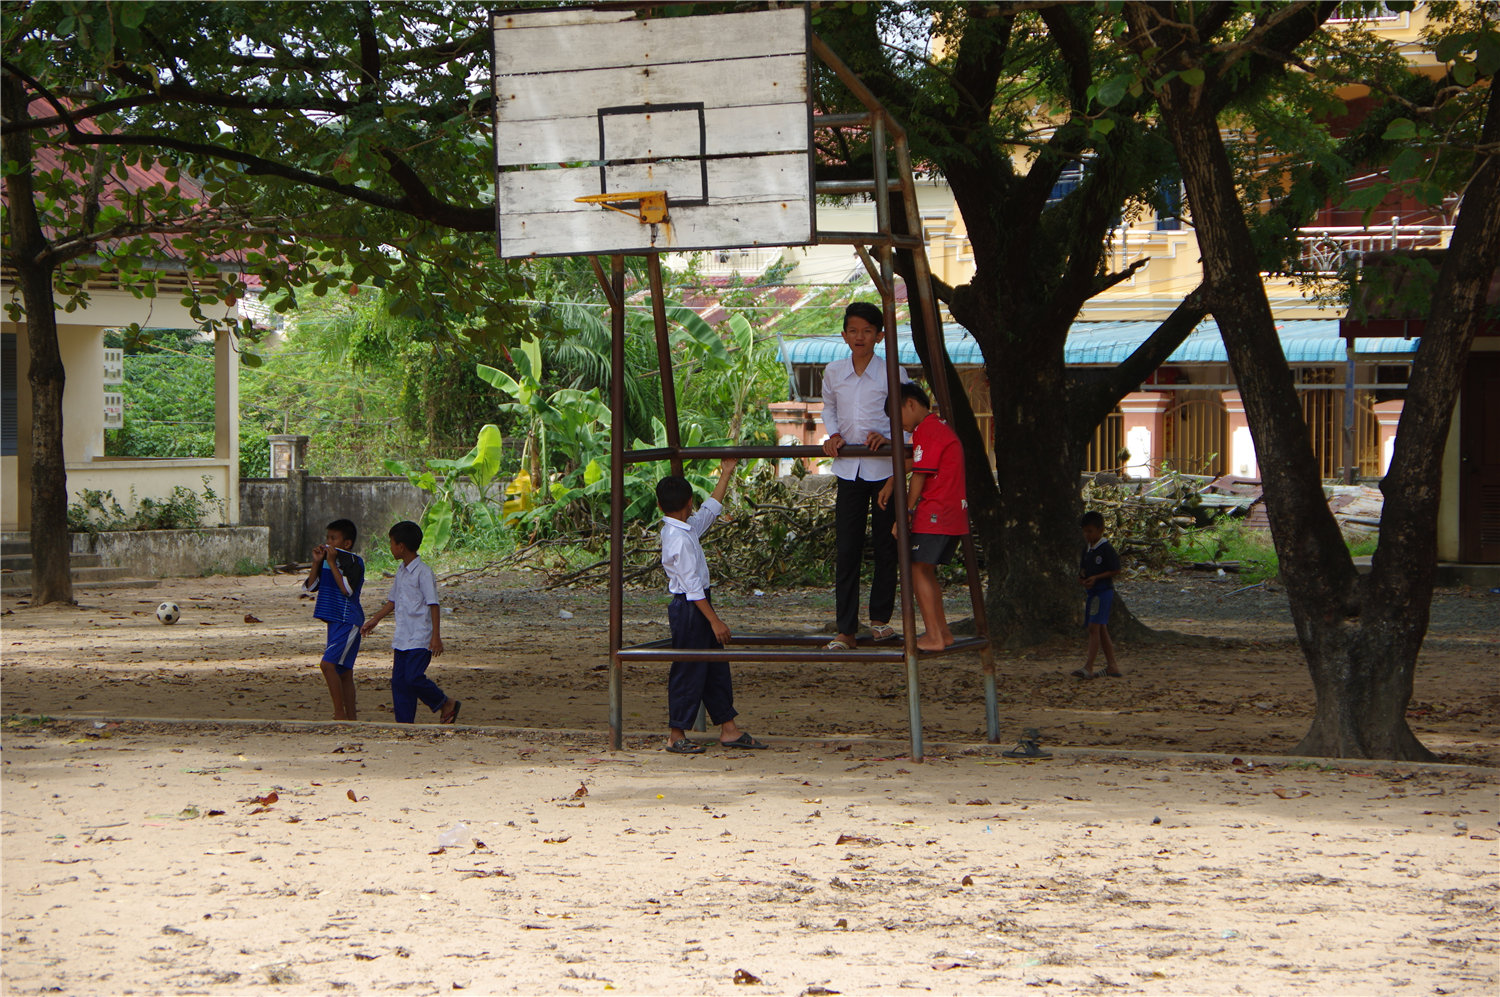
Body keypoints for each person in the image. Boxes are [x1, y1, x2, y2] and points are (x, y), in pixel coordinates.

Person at [820, 301, 913, 651]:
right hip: (849, 469)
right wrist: (833, 435)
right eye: (853, 330)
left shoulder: (893, 371)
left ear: (880, 335)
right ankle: (845, 629)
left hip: (885, 471)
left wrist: (891, 439)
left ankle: (880, 622)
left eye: (867, 331)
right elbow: (828, 406)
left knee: (887, 546)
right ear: (844, 335)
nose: (860, 336)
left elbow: (908, 415)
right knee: (848, 549)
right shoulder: (833, 372)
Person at [657, 459, 766, 754]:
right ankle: (675, 733)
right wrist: (714, 621)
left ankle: (728, 728)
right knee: (689, 667)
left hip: (697, 604)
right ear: (688, 502)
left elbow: (710, 512)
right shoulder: (679, 539)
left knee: (714, 666)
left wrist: (726, 473)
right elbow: (692, 589)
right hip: (692, 607)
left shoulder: (685, 529)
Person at [878, 382, 968, 651]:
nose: (899, 426)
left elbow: (920, 473)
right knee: (924, 570)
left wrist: (905, 511)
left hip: (936, 510)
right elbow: (918, 464)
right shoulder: (937, 427)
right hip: (951, 511)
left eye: (898, 418)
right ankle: (942, 632)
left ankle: (935, 635)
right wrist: (894, 479)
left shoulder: (925, 431)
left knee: (917, 570)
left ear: (910, 404)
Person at [359, 521, 461, 723]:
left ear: (401, 546)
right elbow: (393, 601)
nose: (390, 547)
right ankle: (404, 724)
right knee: (399, 682)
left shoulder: (423, 573)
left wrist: (436, 637)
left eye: (391, 543)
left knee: (413, 677)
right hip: (403, 637)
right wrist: (375, 619)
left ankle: (444, 702)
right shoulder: (401, 571)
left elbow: (433, 604)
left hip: (421, 636)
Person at [303, 518, 365, 720]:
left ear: (346, 543)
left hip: (347, 619)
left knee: (327, 665)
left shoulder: (353, 562)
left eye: (333, 538)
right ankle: (351, 717)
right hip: (333, 620)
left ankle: (340, 714)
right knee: (344, 672)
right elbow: (311, 587)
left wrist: (331, 562)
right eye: (327, 537)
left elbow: (347, 590)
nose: (328, 542)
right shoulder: (327, 561)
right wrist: (317, 562)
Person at [1074, 510, 1122, 679]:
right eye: (1085, 531)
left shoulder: (1105, 548)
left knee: (1093, 627)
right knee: (1100, 629)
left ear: (1100, 530)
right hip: (1092, 593)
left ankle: (1089, 666)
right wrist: (1084, 579)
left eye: (1090, 531)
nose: (1087, 535)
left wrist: (1097, 578)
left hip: (1103, 592)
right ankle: (1112, 666)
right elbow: (1083, 571)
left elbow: (1115, 569)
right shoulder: (1087, 550)